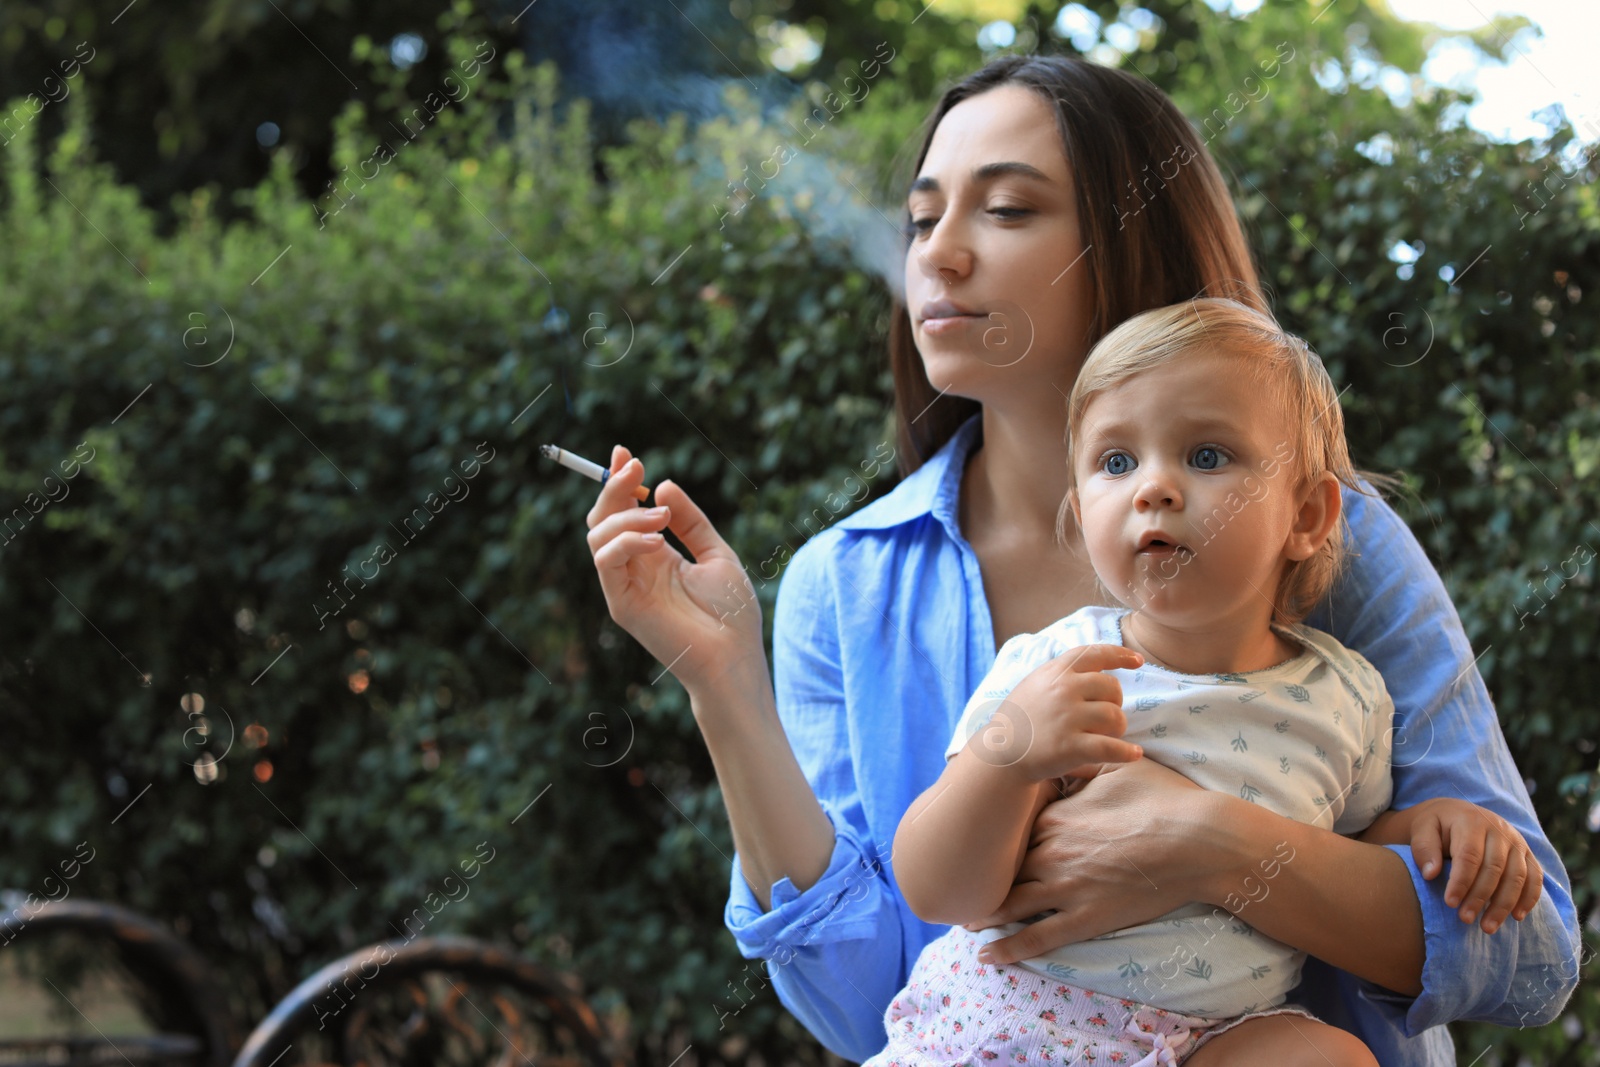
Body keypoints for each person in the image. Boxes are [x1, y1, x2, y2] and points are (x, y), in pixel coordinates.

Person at [582, 54, 1579, 1065]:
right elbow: (867, 1001)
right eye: (923, 218)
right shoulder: (844, 582)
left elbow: (1529, 951)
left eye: (1007, 210)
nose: (939, 255)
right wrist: (721, 681)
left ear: (1128, 239)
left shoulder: (1318, 534)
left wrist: (1211, 843)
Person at [871, 298, 1543, 1067]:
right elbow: (937, 891)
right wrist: (1006, 755)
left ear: (1309, 513)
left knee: (1336, 1059)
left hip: (1201, 1039)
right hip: (1005, 1021)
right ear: (1081, 507)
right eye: (1116, 462)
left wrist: (1439, 827)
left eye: (1207, 455)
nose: (1152, 487)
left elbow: (1350, 841)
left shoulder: (1346, 695)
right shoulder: (1057, 667)